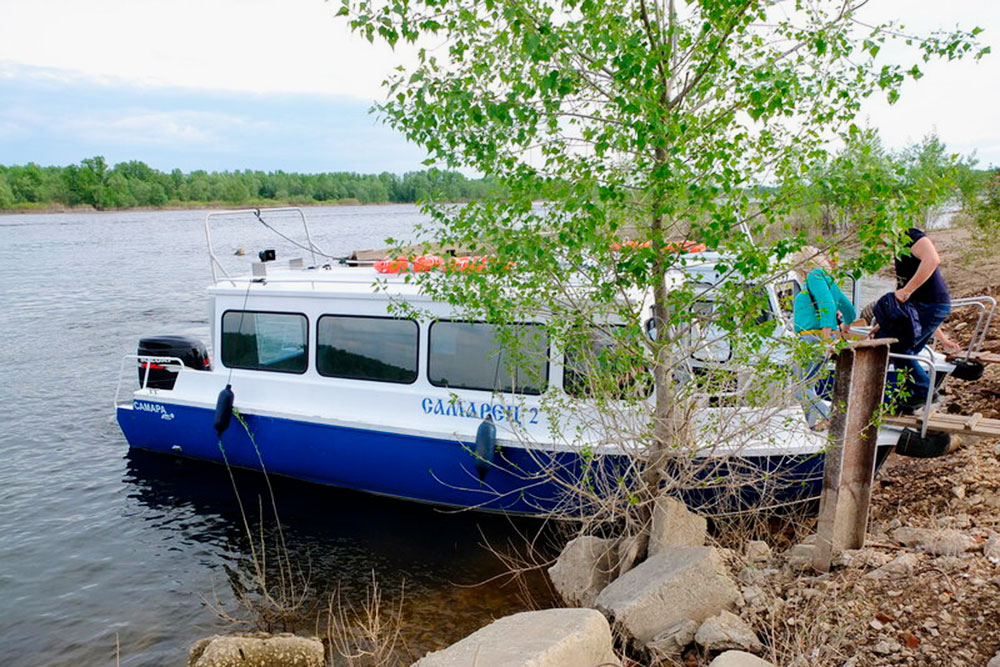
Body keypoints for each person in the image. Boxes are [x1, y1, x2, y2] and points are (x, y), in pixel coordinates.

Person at [790, 247, 856, 430]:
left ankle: (833, 418)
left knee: (799, 388)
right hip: (817, 340)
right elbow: (849, 310)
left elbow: (826, 305)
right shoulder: (829, 281)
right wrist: (846, 325)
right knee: (807, 386)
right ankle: (810, 424)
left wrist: (827, 340)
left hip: (811, 340)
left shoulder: (814, 276)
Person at [893, 227, 951, 406]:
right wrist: (943, 339)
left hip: (929, 304)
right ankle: (912, 396)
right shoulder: (897, 248)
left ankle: (923, 392)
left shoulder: (910, 235)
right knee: (906, 353)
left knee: (900, 349)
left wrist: (907, 290)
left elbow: (932, 259)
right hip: (927, 307)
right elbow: (899, 298)